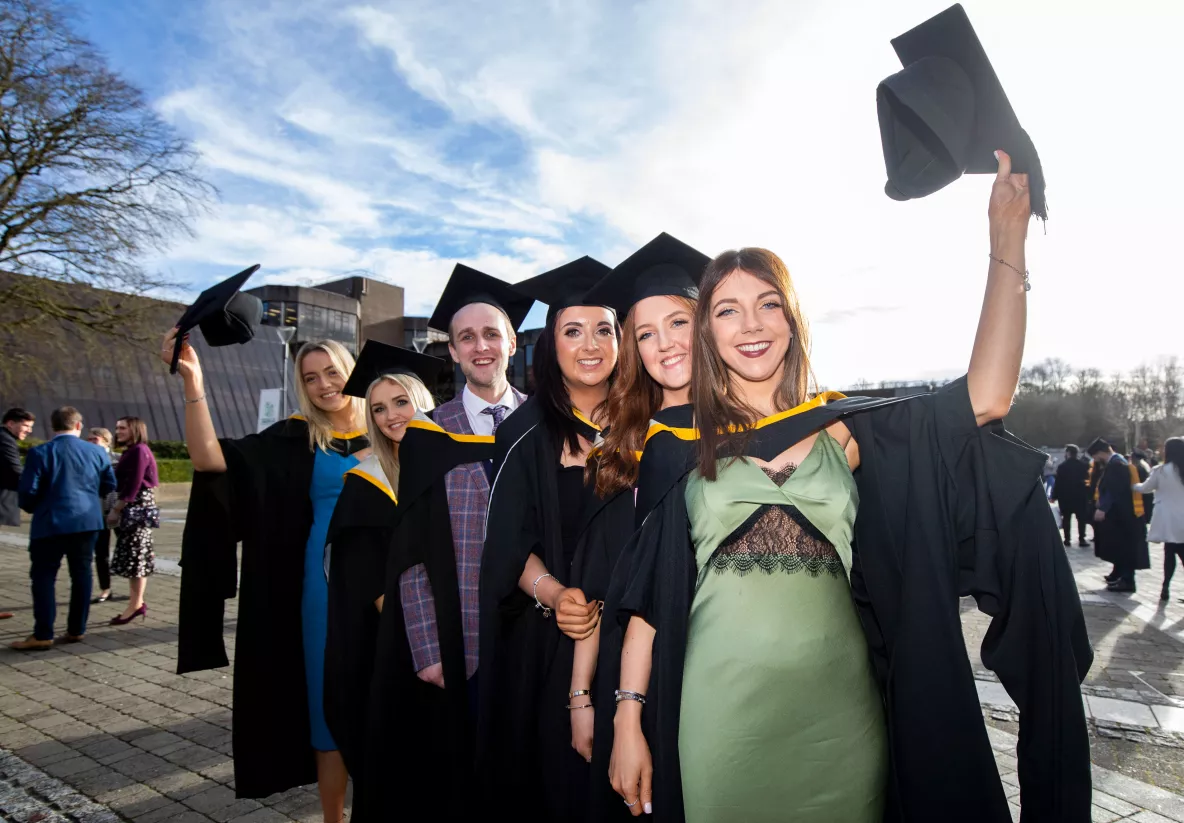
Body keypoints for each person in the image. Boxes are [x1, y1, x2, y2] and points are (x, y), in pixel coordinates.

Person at [608, 151, 1092, 822]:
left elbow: (983, 396)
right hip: (720, 716)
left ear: (792, 318)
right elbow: (645, 605)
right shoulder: (675, 446)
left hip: (839, 714)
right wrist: (627, 719)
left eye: (768, 304)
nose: (751, 325)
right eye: (727, 311)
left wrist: (1006, 237)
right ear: (707, 335)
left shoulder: (845, 432)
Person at [166, 325, 369, 819]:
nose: (324, 384)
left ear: (352, 372)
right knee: (326, 714)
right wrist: (194, 383)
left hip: (389, 590)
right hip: (321, 593)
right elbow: (210, 460)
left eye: (332, 372)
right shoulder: (292, 440)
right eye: (312, 377)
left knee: (384, 706)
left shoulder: (392, 426)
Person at [362, 266, 532, 821]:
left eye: (491, 334)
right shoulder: (430, 434)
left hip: (542, 637)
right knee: (473, 785)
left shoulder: (546, 422)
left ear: (511, 342)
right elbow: (408, 555)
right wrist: (427, 647)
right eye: (467, 337)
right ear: (454, 352)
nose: (480, 346)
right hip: (466, 640)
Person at [478, 257, 637, 821]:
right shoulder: (522, 434)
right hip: (553, 644)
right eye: (573, 330)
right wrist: (552, 592)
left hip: (643, 633)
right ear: (551, 344)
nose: (589, 344)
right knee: (566, 790)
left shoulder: (651, 424)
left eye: (604, 330)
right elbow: (506, 544)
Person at [578, 233, 708, 820]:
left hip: (724, 659)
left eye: (678, 322)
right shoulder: (623, 444)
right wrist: (584, 696)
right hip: (644, 667)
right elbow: (604, 579)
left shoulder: (765, 426)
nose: (664, 344)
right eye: (645, 334)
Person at [322, 342, 439, 822]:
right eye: (378, 408)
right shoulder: (366, 484)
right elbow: (370, 585)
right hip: (400, 652)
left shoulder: (452, 468)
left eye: (401, 401)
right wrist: (428, 641)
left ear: (423, 402)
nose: (392, 415)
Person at [12, 406, 116, 650]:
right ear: (78, 426)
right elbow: (110, 483)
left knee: (44, 577)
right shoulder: (97, 452)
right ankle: (76, 630)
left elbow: (27, 491)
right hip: (87, 521)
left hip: (50, 522)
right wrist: (89, 500)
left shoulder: (40, 452)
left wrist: (35, 507)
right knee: (81, 574)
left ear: (53, 426)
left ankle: (43, 633)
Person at [107, 417, 159, 625]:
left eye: (122, 428)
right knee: (135, 555)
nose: (118, 431)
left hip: (136, 507)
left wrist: (117, 509)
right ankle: (135, 602)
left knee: (136, 556)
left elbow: (134, 483)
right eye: (117, 427)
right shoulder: (135, 450)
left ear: (134, 429)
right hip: (136, 506)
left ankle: (136, 604)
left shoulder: (138, 451)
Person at [1088, 438, 1148, 594]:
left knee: (1125, 548)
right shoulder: (1117, 463)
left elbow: (1115, 490)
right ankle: (1120, 575)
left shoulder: (1117, 465)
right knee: (1122, 547)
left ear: (1101, 453)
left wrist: (1103, 508)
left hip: (1124, 515)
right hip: (1122, 515)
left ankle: (1127, 580)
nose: (1095, 461)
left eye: (1095, 457)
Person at [1133, 437, 1184, 601]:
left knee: (1169, 554)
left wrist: (1132, 484)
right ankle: (1166, 588)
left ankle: (1165, 587)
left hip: (1168, 520)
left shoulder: (1161, 470)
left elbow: (1146, 488)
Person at [85, 427, 120, 604]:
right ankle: (105, 589)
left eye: (95, 439)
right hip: (97, 512)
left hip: (118, 509)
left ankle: (136, 589)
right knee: (101, 553)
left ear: (106, 441)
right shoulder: (85, 460)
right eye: (89, 439)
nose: (91, 443)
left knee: (127, 548)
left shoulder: (118, 460)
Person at [1, 408, 35, 528]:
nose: (29, 431)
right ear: (10, 423)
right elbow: (16, 470)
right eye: (26, 426)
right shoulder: (5, 440)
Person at [1052, 444, 1090, 547]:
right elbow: (1088, 481)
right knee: (1081, 519)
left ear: (1068, 453)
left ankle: (1067, 539)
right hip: (1080, 497)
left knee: (1066, 518)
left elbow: (1058, 482)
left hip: (1065, 498)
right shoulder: (1083, 466)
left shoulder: (1062, 467)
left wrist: (1053, 496)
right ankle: (1082, 538)